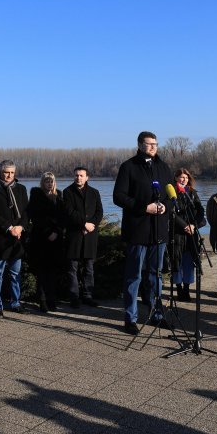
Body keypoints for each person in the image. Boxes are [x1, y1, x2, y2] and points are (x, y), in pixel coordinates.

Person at [113, 131, 172, 335]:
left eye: (155, 143)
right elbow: (118, 197)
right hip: (137, 231)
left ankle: (157, 314)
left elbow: (171, 195)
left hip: (159, 231)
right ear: (139, 145)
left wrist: (165, 206)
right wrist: (143, 207)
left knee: (156, 276)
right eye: (149, 144)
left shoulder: (163, 167)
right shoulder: (128, 167)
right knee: (134, 277)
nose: (153, 147)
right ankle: (130, 318)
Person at [0, 160, 30, 318]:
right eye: (6, 172)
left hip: (17, 239)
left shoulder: (22, 189)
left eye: (12, 172)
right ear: (0, 172)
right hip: (0, 239)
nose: (9, 175)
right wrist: (9, 227)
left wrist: (20, 227)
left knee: (14, 274)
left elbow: (26, 212)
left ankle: (15, 302)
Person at [62, 166, 104, 309]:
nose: (78, 178)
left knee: (89, 268)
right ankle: (74, 297)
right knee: (72, 268)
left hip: (90, 236)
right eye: (76, 175)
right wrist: (84, 224)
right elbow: (69, 212)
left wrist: (92, 225)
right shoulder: (67, 192)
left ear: (87, 177)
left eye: (81, 175)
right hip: (74, 235)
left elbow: (99, 212)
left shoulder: (94, 193)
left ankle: (88, 296)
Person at [27, 172, 65, 312]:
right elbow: (35, 217)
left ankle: (52, 299)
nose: (49, 184)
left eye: (51, 181)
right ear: (42, 182)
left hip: (56, 240)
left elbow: (62, 217)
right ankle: (42, 300)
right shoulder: (36, 195)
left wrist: (56, 231)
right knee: (42, 272)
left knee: (53, 272)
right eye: (47, 181)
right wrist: (48, 232)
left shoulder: (59, 196)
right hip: (41, 240)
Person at [170, 168, 206, 302]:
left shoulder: (192, 193)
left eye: (185, 177)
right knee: (177, 261)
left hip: (191, 233)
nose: (183, 179)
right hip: (177, 233)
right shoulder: (171, 193)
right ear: (176, 178)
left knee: (189, 261)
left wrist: (193, 225)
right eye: (181, 177)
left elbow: (200, 210)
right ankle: (179, 288)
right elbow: (171, 213)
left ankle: (186, 288)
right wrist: (184, 226)